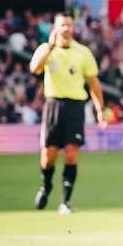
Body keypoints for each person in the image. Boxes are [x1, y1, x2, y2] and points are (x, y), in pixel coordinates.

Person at [29, 12, 107, 214]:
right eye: (63, 25)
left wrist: (100, 109)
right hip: (53, 104)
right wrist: (50, 46)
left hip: (75, 106)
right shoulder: (46, 50)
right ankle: (46, 185)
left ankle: (65, 202)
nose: (66, 29)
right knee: (48, 157)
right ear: (55, 27)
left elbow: (94, 84)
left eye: (69, 25)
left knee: (72, 154)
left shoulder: (83, 53)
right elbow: (34, 68)